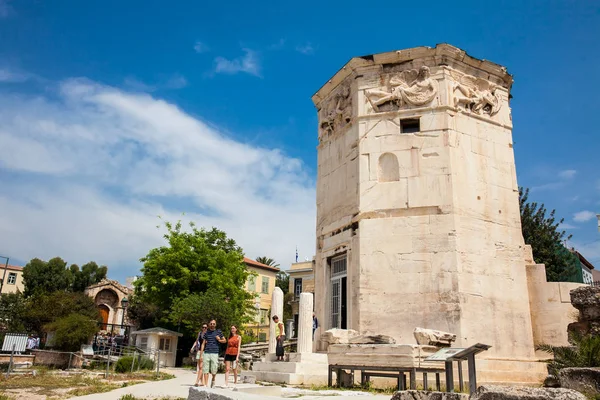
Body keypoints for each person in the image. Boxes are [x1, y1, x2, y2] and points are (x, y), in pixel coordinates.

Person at [201, 319, 227, 388]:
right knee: (205, 369)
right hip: (206, 352)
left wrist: (219, 340)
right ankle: (206, 385)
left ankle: (213, 379)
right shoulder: (206, 332)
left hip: (215, 352)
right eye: (211, 323)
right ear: (209, 324)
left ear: (215, 324)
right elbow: (203, 344)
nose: (212, 325)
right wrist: (201, 354)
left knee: (214, 369)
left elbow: (224, 341)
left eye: (213, 324)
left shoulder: (218, 332)